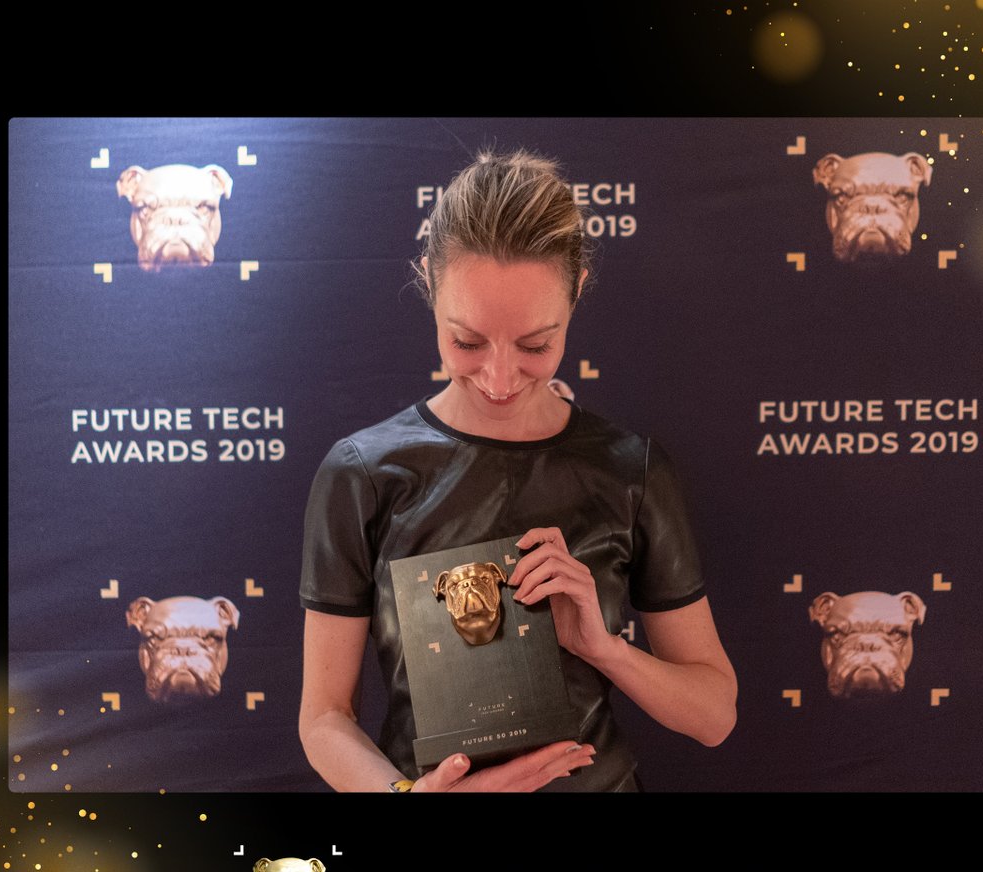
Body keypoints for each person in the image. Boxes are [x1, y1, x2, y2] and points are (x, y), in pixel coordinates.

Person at [298, 149, 736, 792]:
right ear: (429, 282)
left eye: (536, 345)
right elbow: (324, 719)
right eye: (466, 341)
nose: (500, 378)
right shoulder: (363, 474)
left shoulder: (630, 469)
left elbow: (714, 715)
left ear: (577, 292)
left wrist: (604, 648)